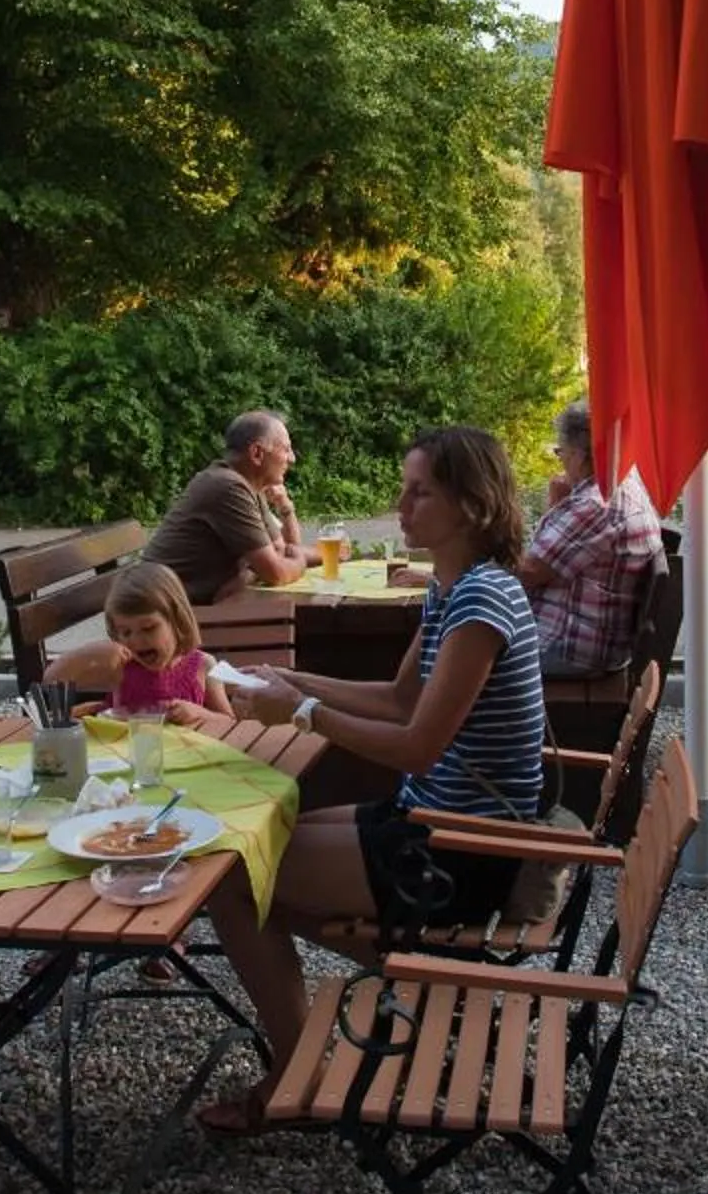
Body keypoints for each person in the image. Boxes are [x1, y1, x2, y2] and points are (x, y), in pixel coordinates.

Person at [195, 426, 545, 1132]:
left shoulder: (481, 603)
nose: (400, 505)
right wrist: (295, 680)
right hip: (432, 822)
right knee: (263, 843)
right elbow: (398, 697)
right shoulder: (453, 587)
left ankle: (301, 1074)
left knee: (235, 878)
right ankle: (413, 976)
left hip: (464, 853)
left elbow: (416, 745)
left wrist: (302, 715)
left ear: (472, 506)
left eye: (420, 493)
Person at [516, 399, 664, 679]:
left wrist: (458, 567)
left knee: (452, 646)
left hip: (566, 648)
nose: (560, 461)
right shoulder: (626, 482)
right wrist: (558, 504)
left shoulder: (597, 503)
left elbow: (528, 572)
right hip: (597, 642)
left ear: (580, 455)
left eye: (560, 452)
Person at [142, 410, 310, 602]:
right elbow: (276, 573)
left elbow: (282, 549)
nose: (292, 458)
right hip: (164, 611)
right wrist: (300, 562)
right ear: (256, 453)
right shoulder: (228, 487)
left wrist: (249, 574)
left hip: (190, 603)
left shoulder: (248, 485)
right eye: (286, 449)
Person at [44, 561, 235, 725]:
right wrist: (87, 653)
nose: (136, 641)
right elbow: (52, 681)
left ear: (176, 620)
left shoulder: (203, 665)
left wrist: (200, 714)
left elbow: (229, 722)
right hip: (127, 753)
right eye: (125, 632)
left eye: (148, 628)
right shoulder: (120, 667)